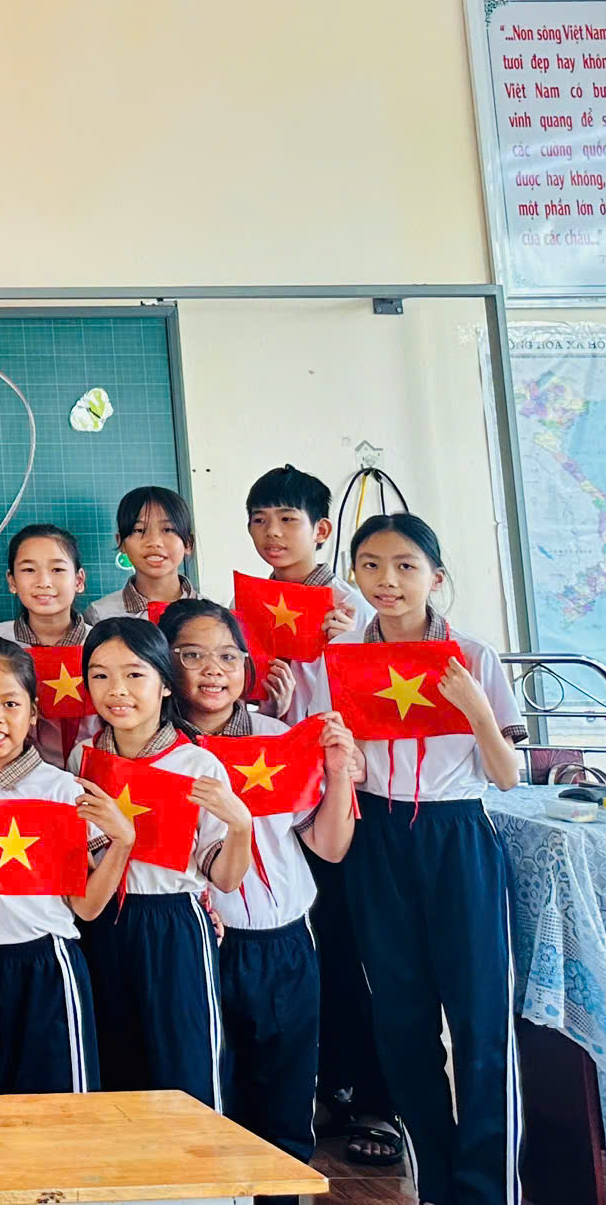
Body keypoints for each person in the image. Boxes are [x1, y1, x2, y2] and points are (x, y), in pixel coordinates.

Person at [333, 514, 524, 1205]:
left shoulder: (471, 655)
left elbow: (507, 776)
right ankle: (434, 1184)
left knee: (479, 1019)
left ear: (435, 577)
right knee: (401, 1020)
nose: (387, 580)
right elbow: (339, 758)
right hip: (377, 835)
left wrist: (475, 708)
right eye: (371, 564)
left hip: (456, 836)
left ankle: (487, 1189)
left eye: (405, 565)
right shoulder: (343, 658)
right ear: (354, 574)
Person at [160, 599, 360, 1196]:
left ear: (247, 667)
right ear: (165, 665)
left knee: (285, 1098)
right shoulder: (155, 751)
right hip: (198, 946)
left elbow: (329, 847)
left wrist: (339, 771)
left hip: (283, 944)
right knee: (210, 1096)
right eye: (192, 656)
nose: (213, 670)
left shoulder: (280, 738)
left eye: (228, 657)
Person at [241, 466, 397, 1171]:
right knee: (313, 953)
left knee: (360, 950)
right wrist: (269, 705)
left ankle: (376, 1101)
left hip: (347, 800)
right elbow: (246, 710)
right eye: (259, 521)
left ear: (321, 529)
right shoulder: (247, 610)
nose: (272, 534)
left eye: (287, 520)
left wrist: (349, 642)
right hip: (280, 804)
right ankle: (329, 1088)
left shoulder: (356, 608)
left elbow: (384, 706)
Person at [0, 638, 129, 1095]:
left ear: (33, 712)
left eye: (10, 703)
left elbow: (86, 907)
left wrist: (123, 842)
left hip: (46, 967)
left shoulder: (61, 790)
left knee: (62, 1109)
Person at [74, 617, 251, 1107]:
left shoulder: (197, 764)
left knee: (186, 1061)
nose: (117, 690)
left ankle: (203, 1159)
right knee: (116, 1061)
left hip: (174, 924)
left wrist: (240, 826)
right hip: (103, 922)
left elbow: (225, 878)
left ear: (166, 683)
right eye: (100, 675)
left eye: (135, 674)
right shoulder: (82, 758)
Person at [0, 523, 91, 765]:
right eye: (29, 570)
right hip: (13, 770)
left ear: (79, 580)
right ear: (12, 581)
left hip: (95, 769)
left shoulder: (101, 645)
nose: (44, 581)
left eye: (57, 569)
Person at [83, 486, 197, 624]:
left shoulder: (211, 615)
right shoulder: (101, 615)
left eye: (168, 529)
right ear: (121, 543)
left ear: (188, 543)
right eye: (139, 530)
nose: (154, 542)